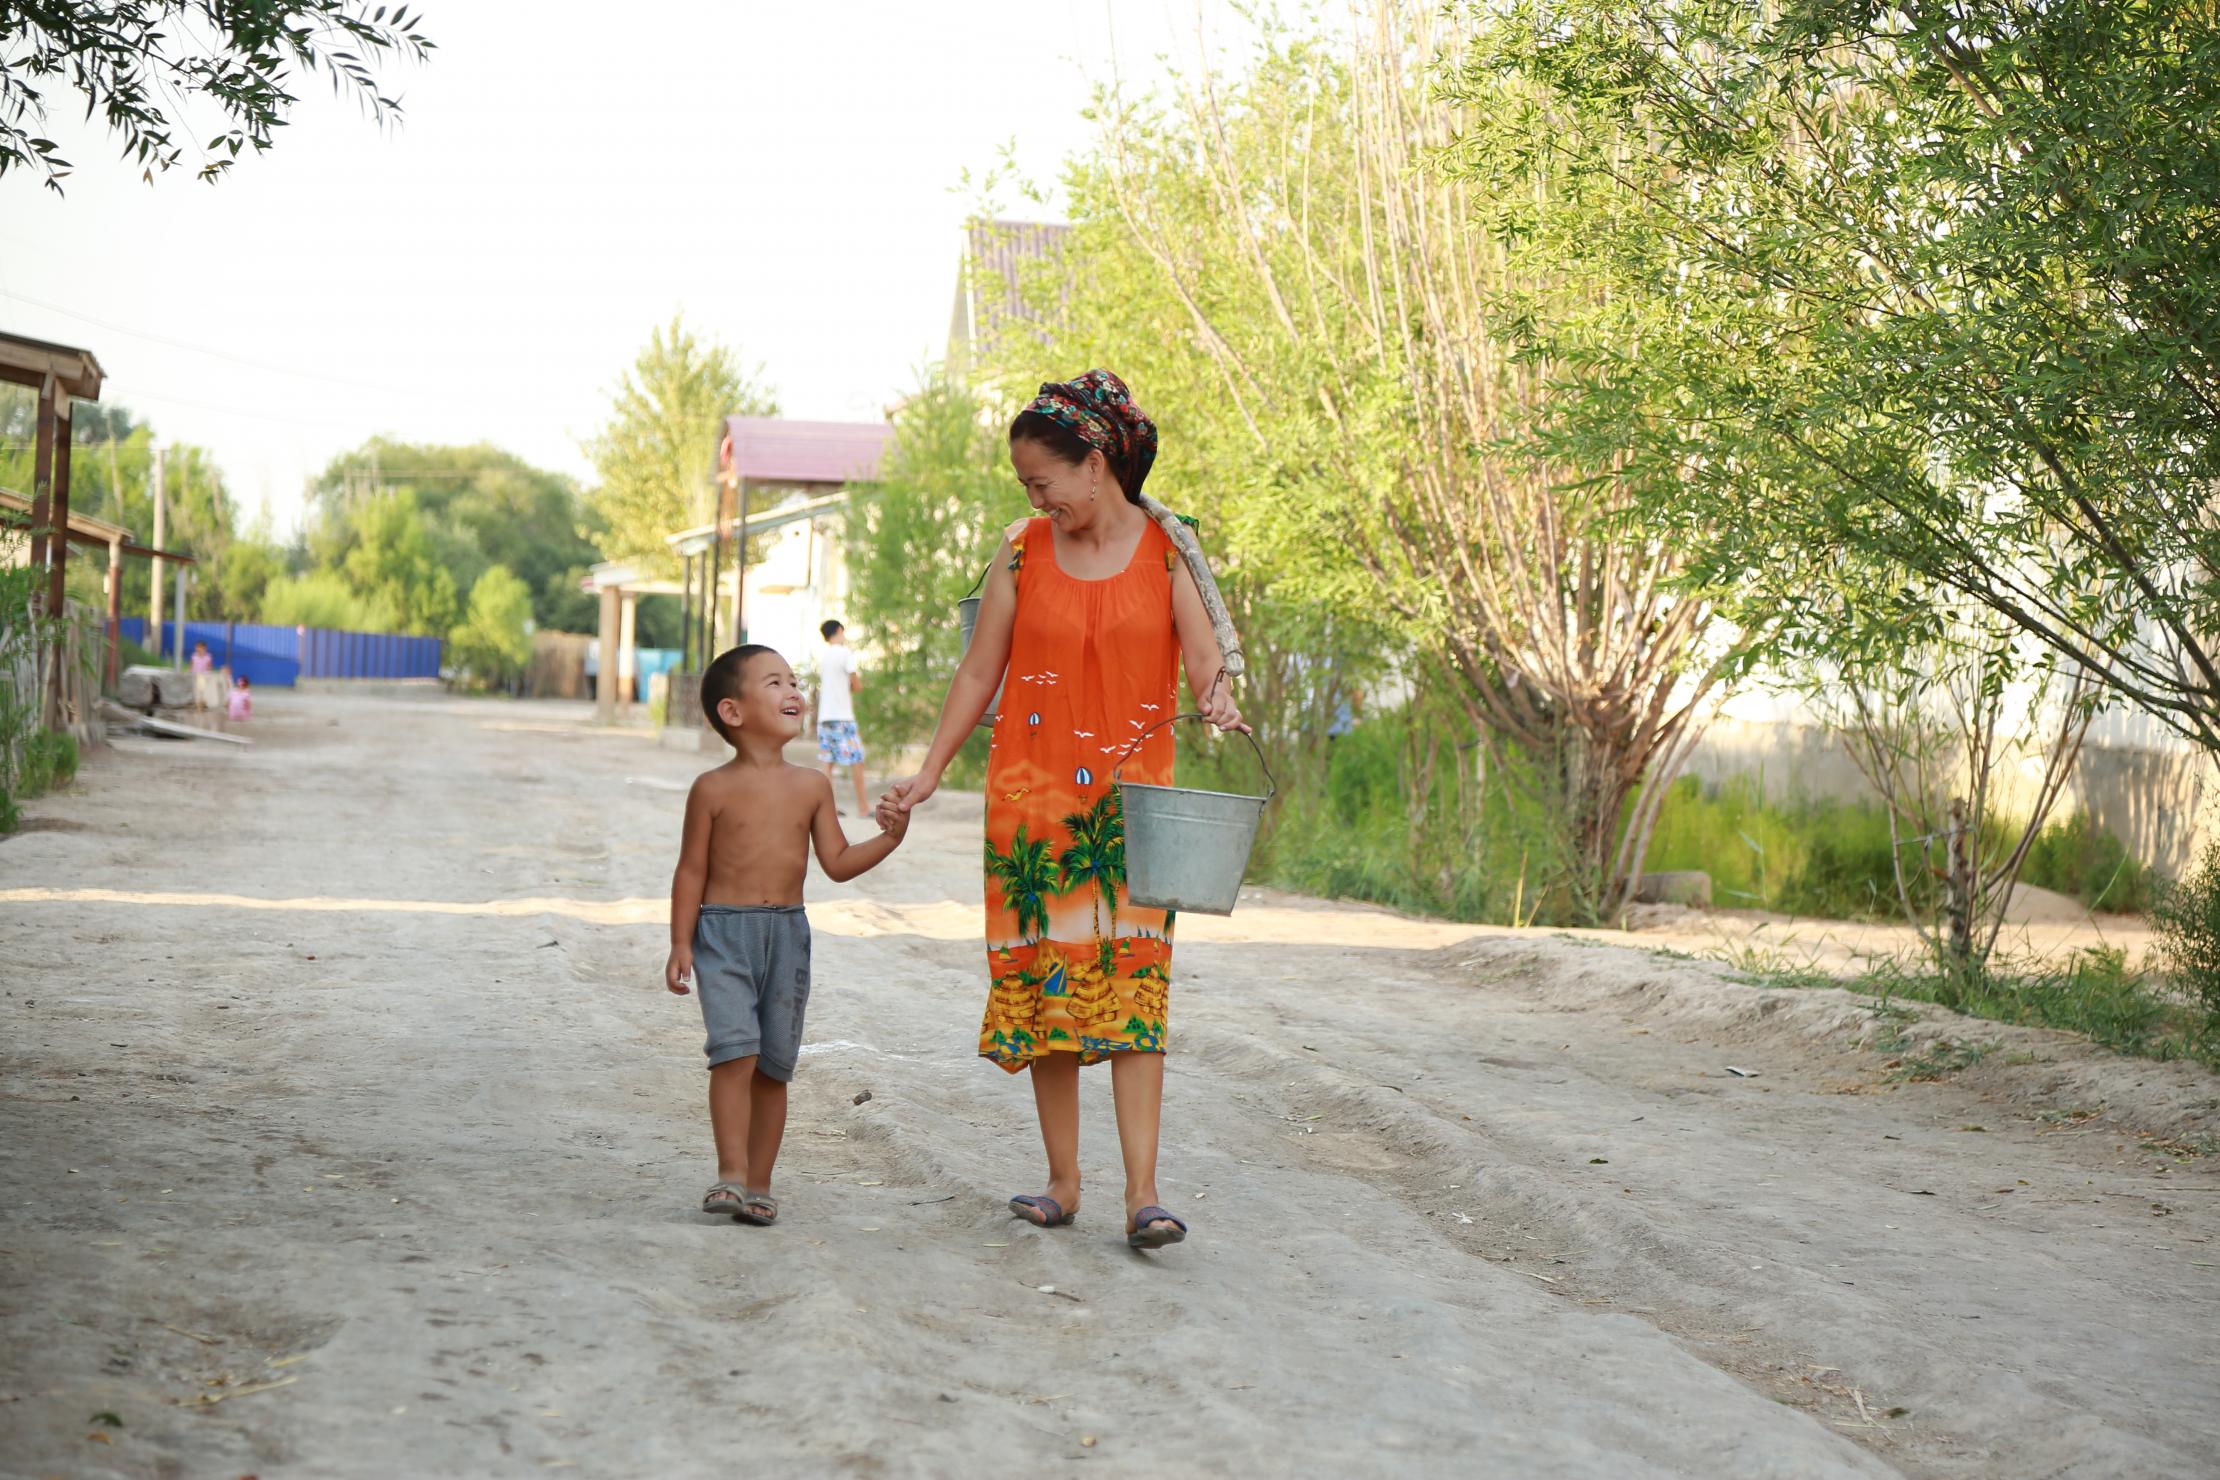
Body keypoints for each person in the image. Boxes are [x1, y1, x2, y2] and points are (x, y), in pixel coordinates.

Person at [877, 369, 1244, 1251]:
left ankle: (1144, 1195)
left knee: (1133, 993)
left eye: (1043, 482)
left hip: (1131, 812)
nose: (1036, 499)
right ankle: (1062, 1182)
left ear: (1096, 463)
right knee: (1049, 988)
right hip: (1030, 804)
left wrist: (1221, 699)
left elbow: (1205, 657)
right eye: (1025, 487)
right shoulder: (1019, 550)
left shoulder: (1168, 547)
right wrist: (929, 772)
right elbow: (979, 672)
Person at [665, 643, 907, 1226]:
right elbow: (690, 870)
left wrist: (891, 839)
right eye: (775, 683)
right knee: (733, 1055)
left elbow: (839, 862)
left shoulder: (811, 787)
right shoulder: (711, 789)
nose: (795, 691)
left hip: (787, 937)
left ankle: (760, 1183)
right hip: (722, 933)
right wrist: (680, 942)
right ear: (733, 711)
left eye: (795, 681)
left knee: (773, 1066)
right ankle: (729, 1174)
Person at [815, 619, 870, 816]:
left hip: (824, 716)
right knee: (857, 759)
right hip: (842, 716)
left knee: (827, 762)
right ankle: (863, 807)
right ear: (838, 631)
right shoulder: (845, 653)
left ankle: (828, 808)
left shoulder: (825, 656)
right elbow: (856, 684)